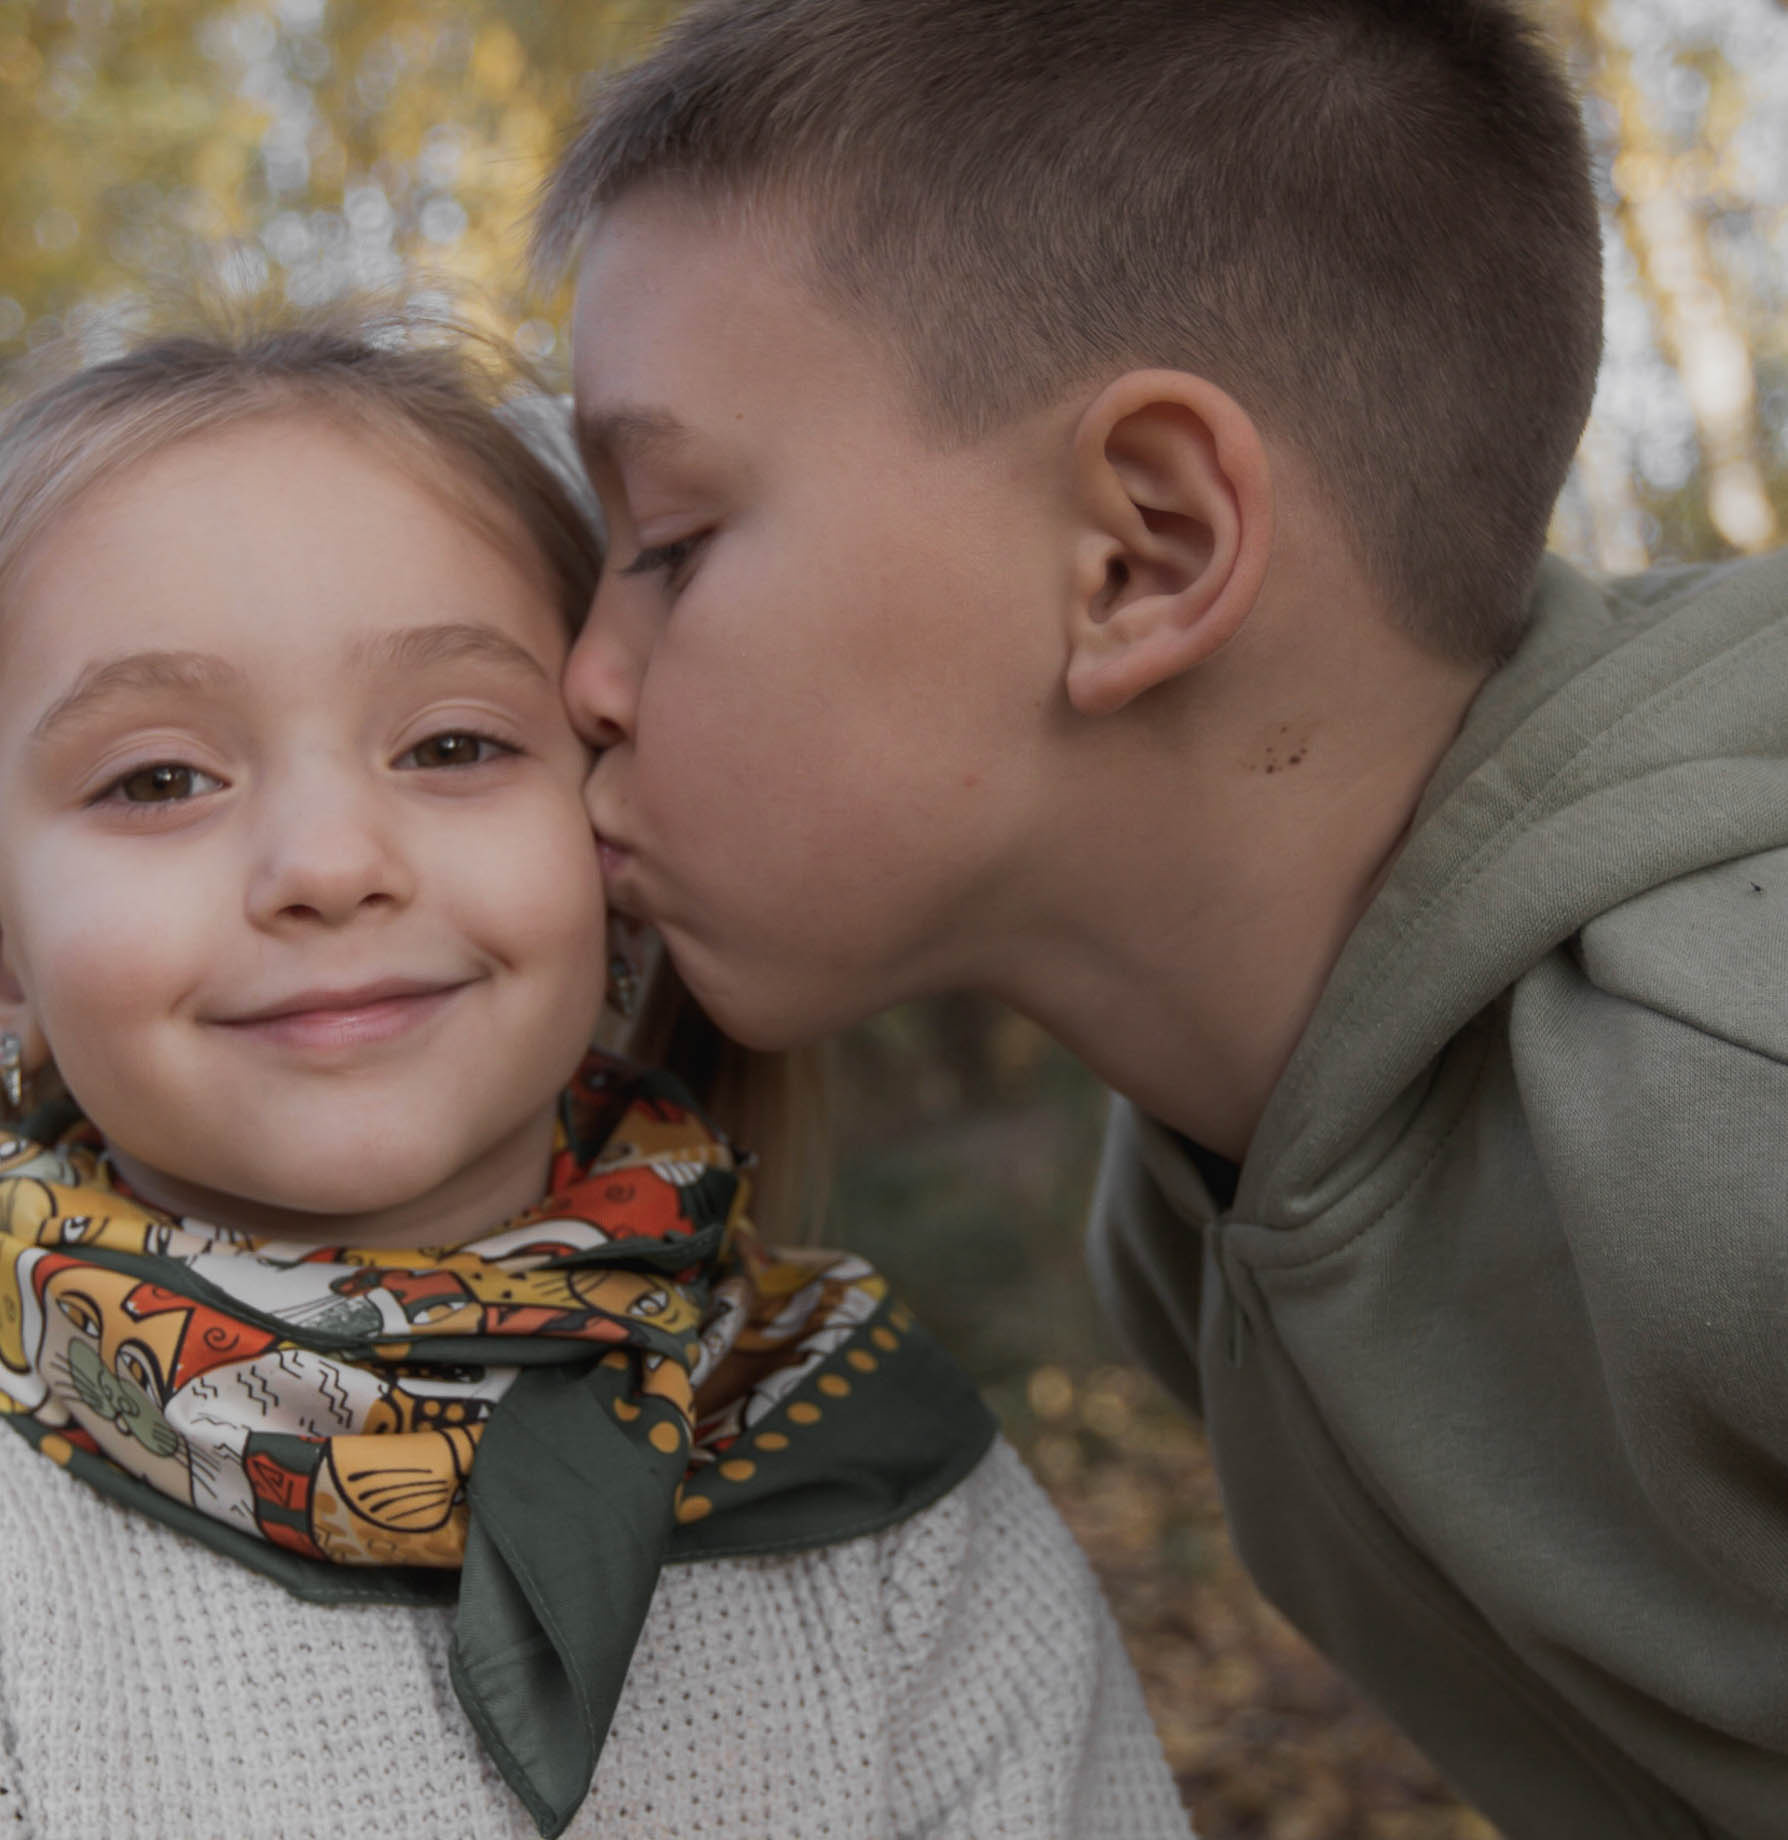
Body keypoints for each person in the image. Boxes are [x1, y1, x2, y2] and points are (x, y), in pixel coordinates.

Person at [0, 312, 1190, 1840]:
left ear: (609, 833)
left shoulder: (879, 1488)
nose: (331, 864)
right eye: (160, 779)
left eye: (450, 747)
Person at [536, 1, 1788, 1835]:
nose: (580, 681)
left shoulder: (1723, 1099)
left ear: (1143, 551)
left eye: (665, 545)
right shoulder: (1193, 1221)